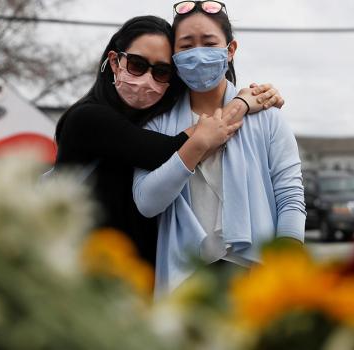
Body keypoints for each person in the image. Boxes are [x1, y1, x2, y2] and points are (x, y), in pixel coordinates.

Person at [55, 15, 285, 268]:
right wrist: (240, 105)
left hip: (144, 277)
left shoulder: (155, 119)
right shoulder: (87, 118)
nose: (147, 79)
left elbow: (289, 191)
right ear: (114, 61)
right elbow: (165, 153)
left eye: (162, 71)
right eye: (137, 65)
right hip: (87, 271)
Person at [133, 1, 306, 297]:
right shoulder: (156, 124)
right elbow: (147, 202)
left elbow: (290, 197)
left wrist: (284, 269)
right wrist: (198, 145)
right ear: (174, 56)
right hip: (184, 280)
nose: (197, 53)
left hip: (255, 277)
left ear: (230, 50)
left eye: (209, 42)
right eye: (186, 46)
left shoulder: (267, 117)